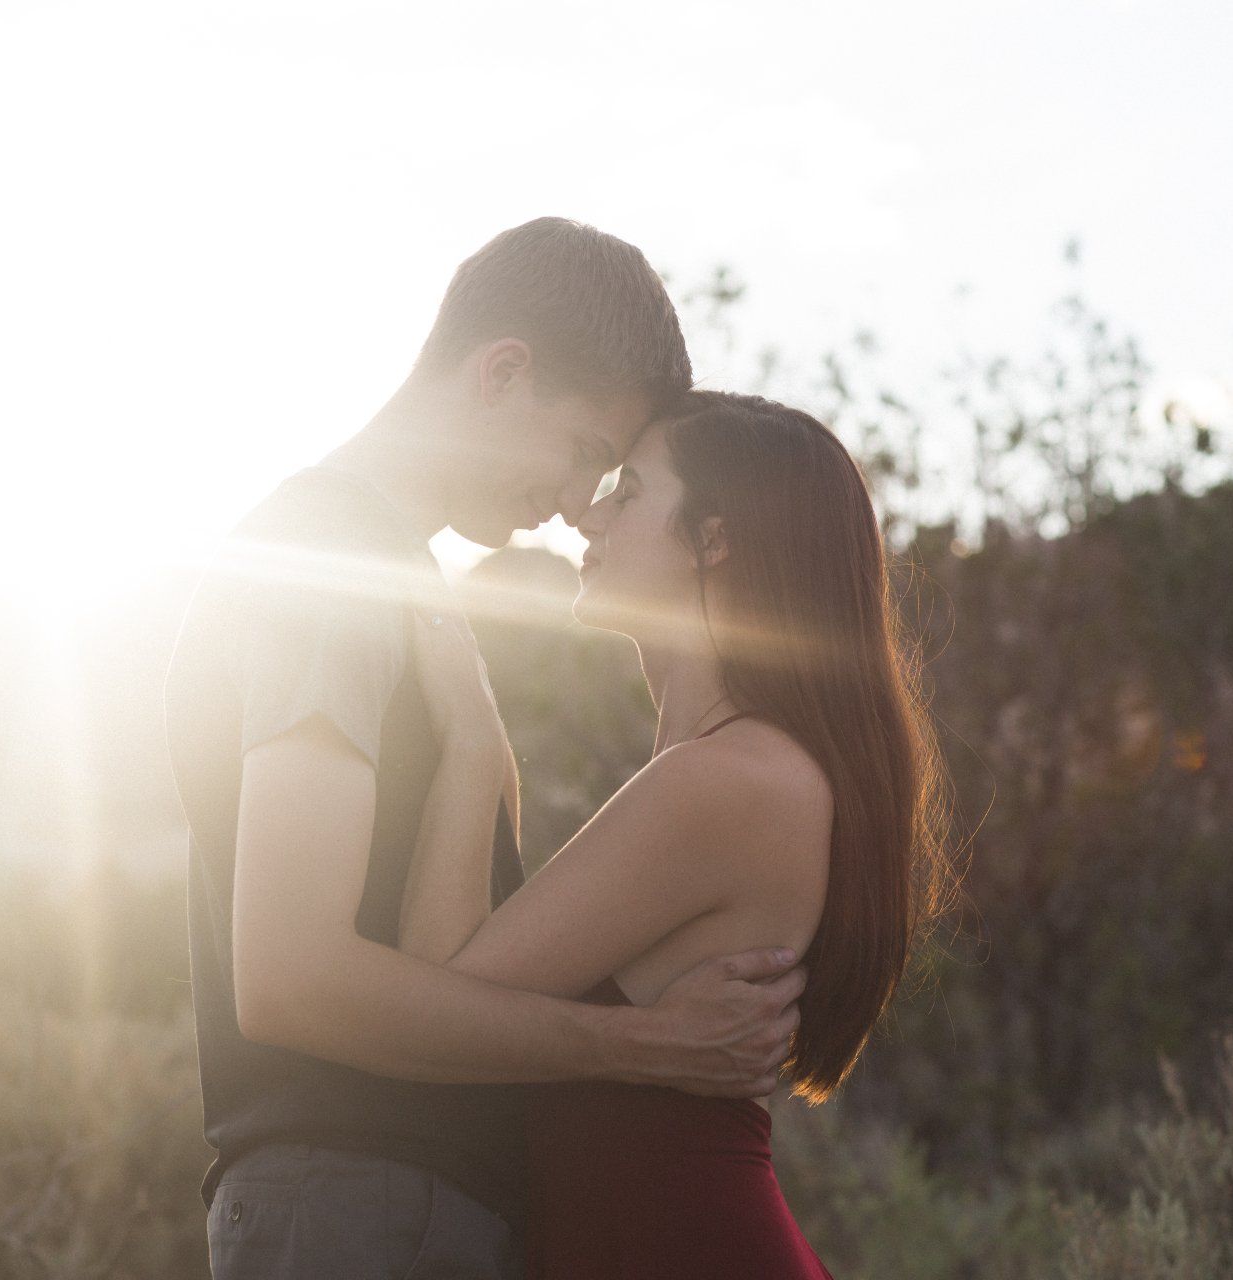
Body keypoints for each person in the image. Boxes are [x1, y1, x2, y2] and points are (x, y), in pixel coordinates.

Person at [163, 220, 809, 1280]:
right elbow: (289, 976)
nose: (570, 506)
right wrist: (643, 1047)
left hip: (389, 1207)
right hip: (360, 1206)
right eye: (588, 454)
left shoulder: (385, 578)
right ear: (502, 372)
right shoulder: (329, 561)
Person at [399, 390, 957, 1278]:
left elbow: (427, 1015)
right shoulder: (741, 769)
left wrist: (472, 746)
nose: (588, 515)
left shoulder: (724, 781)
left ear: (713, 541)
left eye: (627, 493)